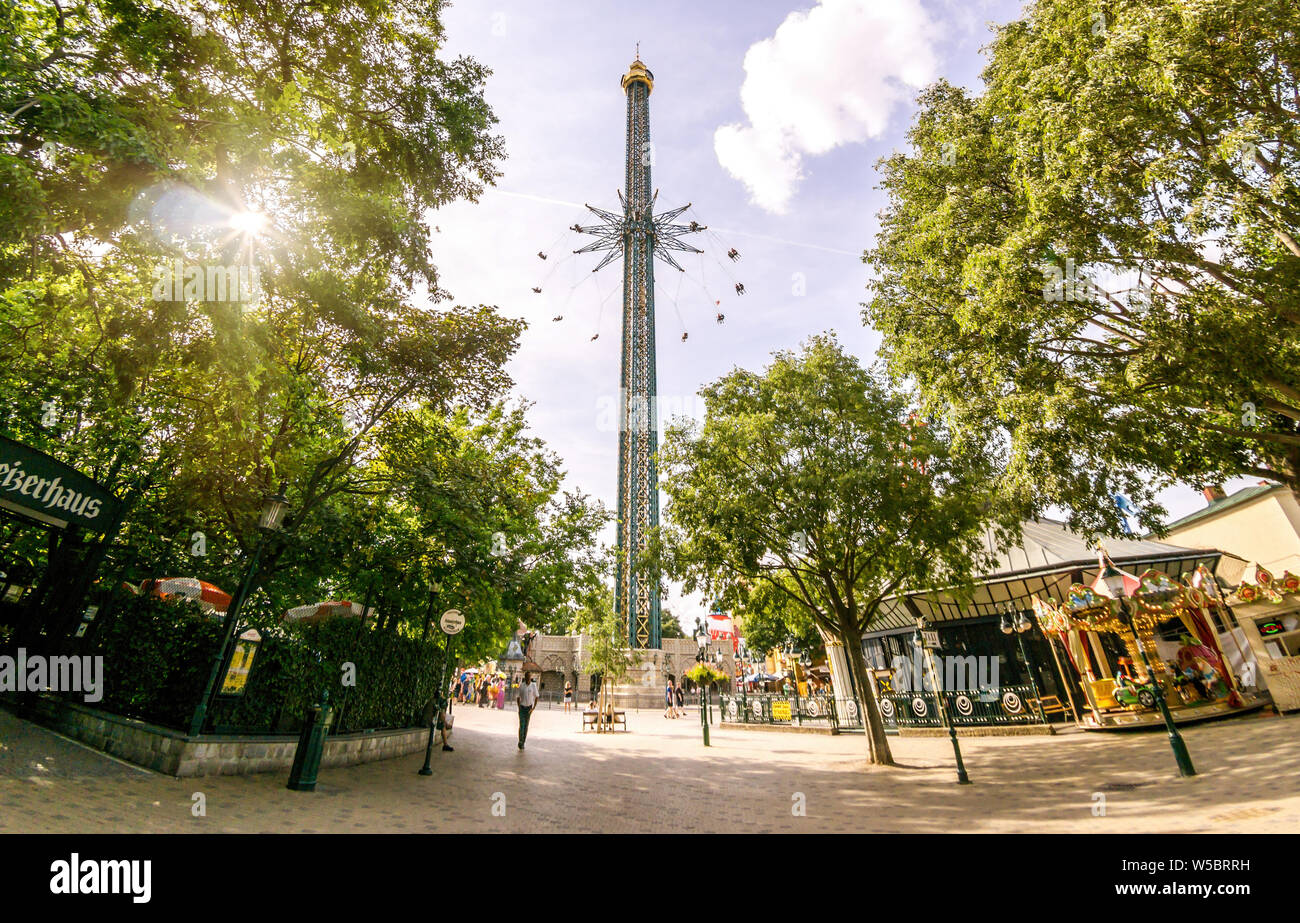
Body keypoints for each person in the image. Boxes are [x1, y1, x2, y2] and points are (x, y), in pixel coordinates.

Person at [517, 671, 539, 749]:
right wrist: (519, 707)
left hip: (529, 708)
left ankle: (523, 742)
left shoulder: (533, 686)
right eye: (526, 676)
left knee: (526, 726)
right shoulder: (522, 686)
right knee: (521, 725)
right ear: (525, 677)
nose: (528, 678)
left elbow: (536, 697)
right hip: (522, 708)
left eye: (529, 677)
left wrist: (533, 708)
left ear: (530, 678)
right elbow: (518, 697)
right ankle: (520, 741)